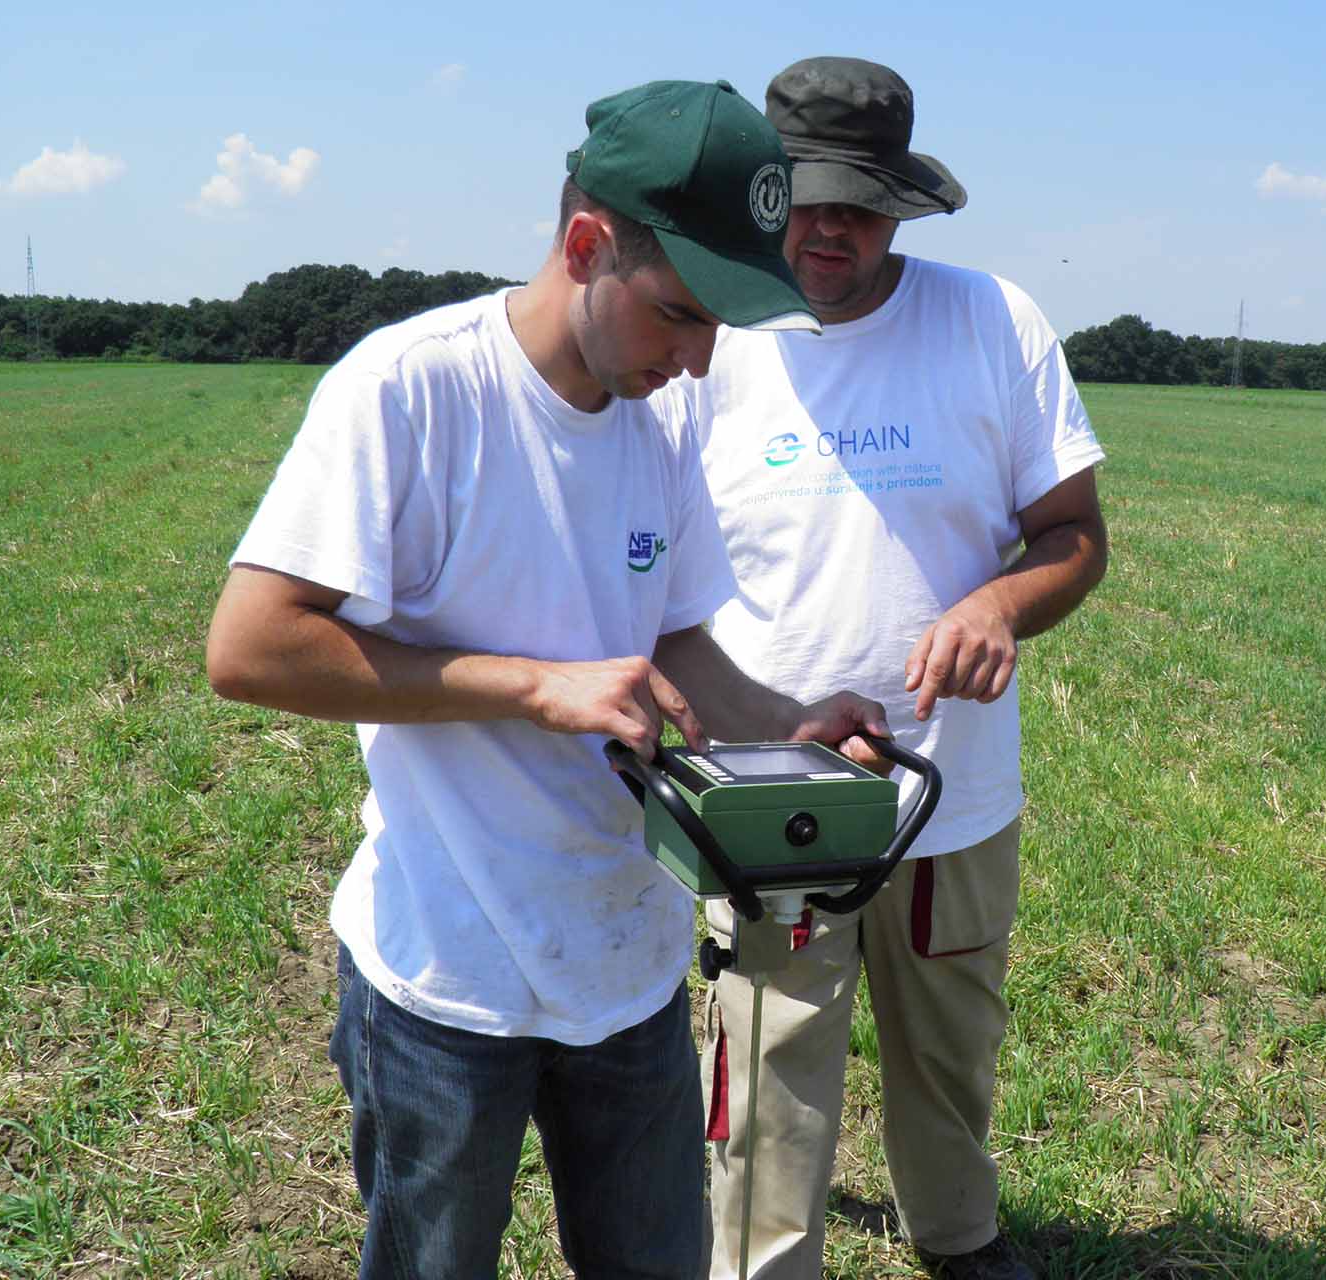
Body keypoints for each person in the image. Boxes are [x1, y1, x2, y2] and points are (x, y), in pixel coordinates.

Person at [204, 79, 889, 1280]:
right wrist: (532, 686)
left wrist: (792, 727)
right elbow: (251, 645)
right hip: (445, 979)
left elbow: (669, 641)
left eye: (723, 324)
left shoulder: (662, 423)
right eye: (681, 314)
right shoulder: (410, 390)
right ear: (586, 246)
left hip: (625, 969)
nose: (699, 358)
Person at [683, 57, 1109, 1280]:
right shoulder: (713, 337)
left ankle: (960, 1236)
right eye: (807, 199)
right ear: (769, 198)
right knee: (768, 1056)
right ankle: (766, 1264)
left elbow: (1074, 537)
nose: (832, 229)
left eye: (861, 205)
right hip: (774, 786)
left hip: (953, 786)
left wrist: (998, 604)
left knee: (952, 1048)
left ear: (902, 207)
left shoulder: (992, 321)